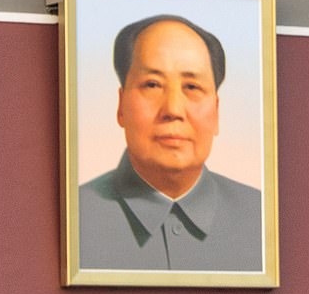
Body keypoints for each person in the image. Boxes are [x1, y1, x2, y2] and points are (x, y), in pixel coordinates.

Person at [78, 14, 263, 271]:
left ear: (217, 111)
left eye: (192, 87)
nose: (173, 109)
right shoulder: (75, 217)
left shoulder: (263, 219)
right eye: (153, 85)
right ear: (121, 106)